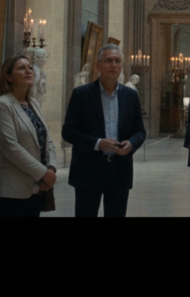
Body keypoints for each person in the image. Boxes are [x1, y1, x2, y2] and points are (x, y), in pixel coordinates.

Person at [62, 44, 146, 217]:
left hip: (119, 170)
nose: (113, 65)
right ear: (98, 66)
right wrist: (98, 143)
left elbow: (140, 131)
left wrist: (131, 144)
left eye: (117, 61)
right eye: (108, 61)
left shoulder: (130, 96)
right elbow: (68, 131)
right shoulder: (81, 94)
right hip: (88, 169)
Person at [0, 55, 58, 217]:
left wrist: (52, 169)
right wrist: (43, 173)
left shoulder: (33, 103)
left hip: (38, 187)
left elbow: (47, 140)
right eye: (21, 68)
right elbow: (11, 148)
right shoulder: (3, 105)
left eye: (29, 67)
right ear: (9, 77)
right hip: (15, 188)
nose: (28, 71)